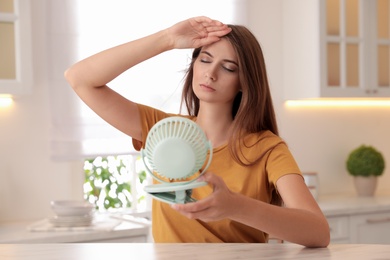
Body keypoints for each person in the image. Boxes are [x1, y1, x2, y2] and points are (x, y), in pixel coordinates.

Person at [65, 16, 330, 247]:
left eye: (228, 67)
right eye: (205, 60)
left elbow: (318, 231)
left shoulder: (267, 148)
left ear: (244, 82)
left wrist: (235, 206)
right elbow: (80, 78)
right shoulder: (163, 131)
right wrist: (167, 39)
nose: (210, 74)